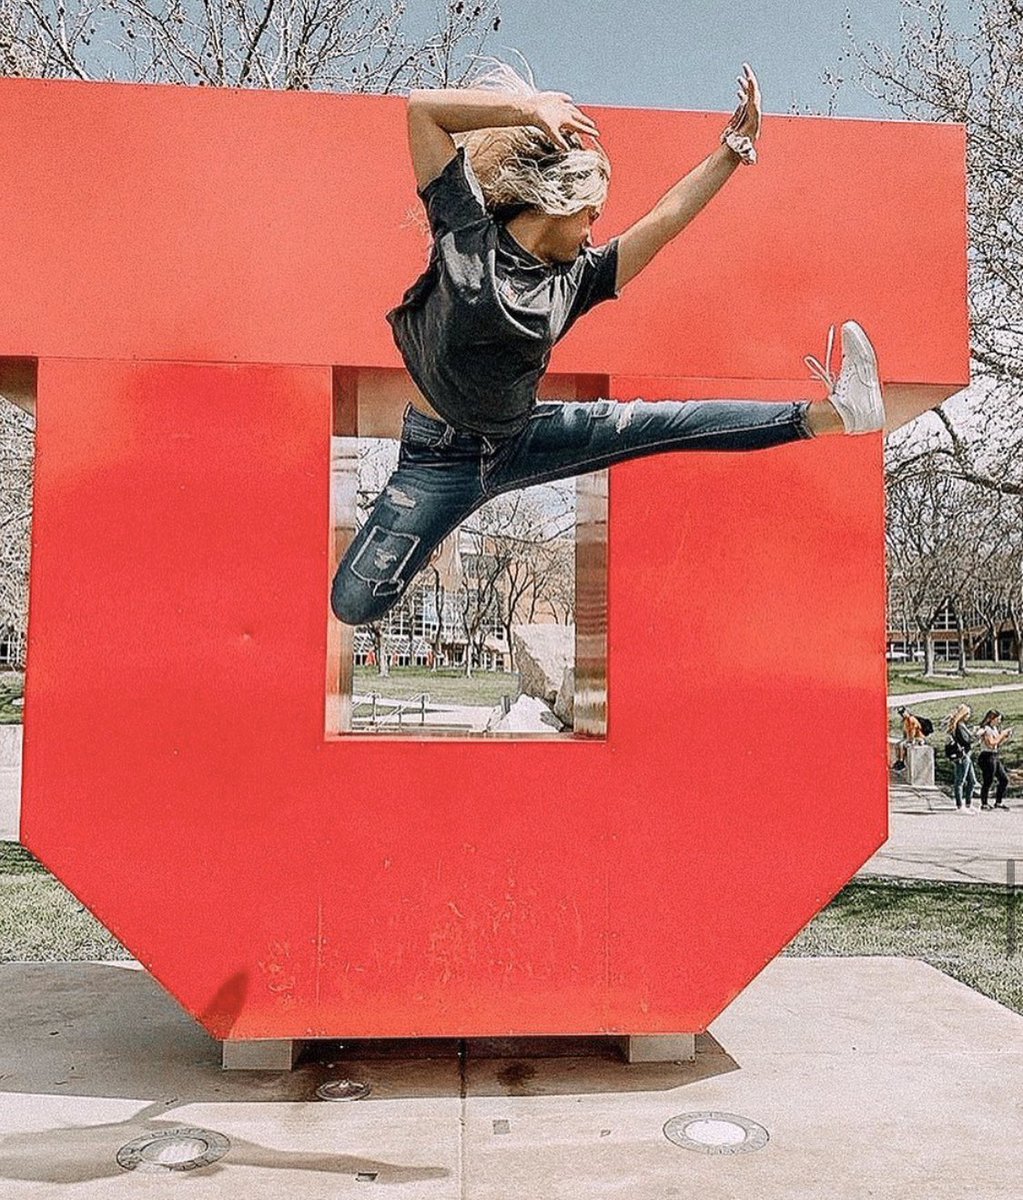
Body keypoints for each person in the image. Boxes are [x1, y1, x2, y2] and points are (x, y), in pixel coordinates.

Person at [330, 60, 888, 627]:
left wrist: (731, 150)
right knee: (352, 603)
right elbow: (423, 111)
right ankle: (425, 535)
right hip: (435, 460)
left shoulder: (577, 279)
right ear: (561, 203)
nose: (594, 234)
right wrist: (527, 109)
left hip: (521, 437)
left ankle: (839, 412)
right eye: (591, 218)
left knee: (670, 424)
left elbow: (663, 221)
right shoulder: (467, 228)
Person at [977, 709, 1012, 811]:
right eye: (998, 719)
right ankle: (984, 803)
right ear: (992, 718)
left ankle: (998, 802)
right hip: (987, 756)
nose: (999, 721)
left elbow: (997, 744)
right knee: (988, 780)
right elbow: (991, 743)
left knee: (1004, 779)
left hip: (994, 755)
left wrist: (1005, 737)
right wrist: (1002, 734)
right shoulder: (986, 729)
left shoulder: (995, 729)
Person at [945, 703, 977, 811]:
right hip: (962, 756)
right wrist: (976, 734)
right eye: (968, 714)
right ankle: (960, 805)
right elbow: (966, 740)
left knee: (972, 780)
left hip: (967, 755)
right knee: (960, 781)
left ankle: (968, 803)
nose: (969, 716)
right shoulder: (959, 726)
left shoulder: (961, 725)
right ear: (963, 714)